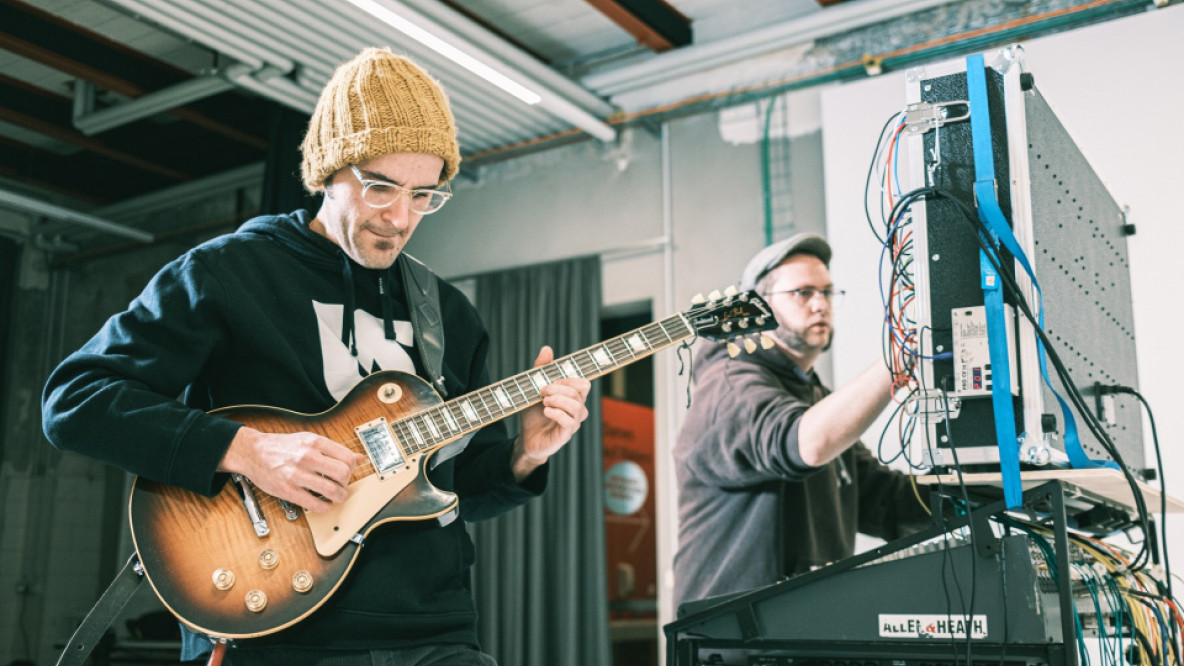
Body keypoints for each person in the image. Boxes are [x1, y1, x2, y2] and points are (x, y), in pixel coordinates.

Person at [41, 47, 590, 665]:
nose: (400, 217)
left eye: (423, 195)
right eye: (380, 187)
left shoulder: (450, 314)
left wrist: (525, 454)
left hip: (433, 632)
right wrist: (248, 449)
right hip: (272, 629)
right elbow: (75, 400)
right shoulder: (228, 273)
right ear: (330, 170)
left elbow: (460, 489)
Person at [671, 232, 931, 610]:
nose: (820, 304)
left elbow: (885, 501)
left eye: (827, 292)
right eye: (802, 293)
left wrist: (996, 485)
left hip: (802, 628)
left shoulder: (812, 398)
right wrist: (906, 355)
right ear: (756, 307)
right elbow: (801, 442)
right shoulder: (728, 384)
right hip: (733, 642)